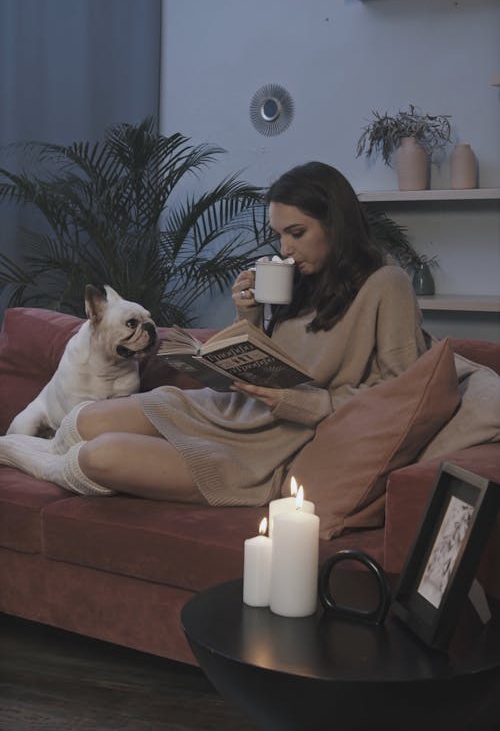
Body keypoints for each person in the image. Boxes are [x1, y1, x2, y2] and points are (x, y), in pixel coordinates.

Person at [0, 161, 429, 504]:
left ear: (337, 224)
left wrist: (301, 404)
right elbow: (270, 364)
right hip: (229, 408)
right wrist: (250, 316)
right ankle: (34, 451)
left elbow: (401, 396)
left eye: (296, 233)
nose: (284, 249)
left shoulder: (387, 285)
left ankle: (25, 456)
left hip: (270, 445)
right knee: (85, 419)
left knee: (99, 455)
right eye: (279, 235)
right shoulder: (304, 280)